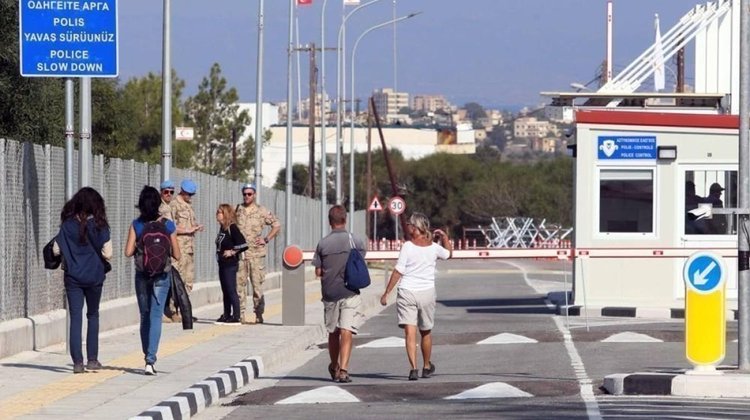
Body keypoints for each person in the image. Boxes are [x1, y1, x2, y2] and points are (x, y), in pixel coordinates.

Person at [380, 212, 452, 381]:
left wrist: (387, 293)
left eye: (411, 225)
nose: (409, 228)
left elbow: (398, 271)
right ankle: (427, 366)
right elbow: (448, 254)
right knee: (425, 331)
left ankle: (413, 368)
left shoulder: (408, 247)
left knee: (409, 333)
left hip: (407, 292)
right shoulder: (434, 248)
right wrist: (445, 238)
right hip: (426, 293)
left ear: (416, 227)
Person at [54, 187, 112, 374]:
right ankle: (92, 359)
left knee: (76, 316)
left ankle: (77, 362)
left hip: (73, 278)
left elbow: (56, 250)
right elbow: (108, 253)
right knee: (93, 315)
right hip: (94, 276)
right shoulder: (100, 225)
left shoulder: (67, 225)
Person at [124, 186, 181, 375]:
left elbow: (128, 252)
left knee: (144, 315)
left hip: (142, 276)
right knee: (156, 316)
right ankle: (151, 360)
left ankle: (145, 355)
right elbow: (178, 255)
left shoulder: (137, 224)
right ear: (158, 203)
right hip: (162, 276)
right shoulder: (168, 225)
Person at [312, 205, 367, 383]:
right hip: (350, 291)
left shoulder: (323, 243)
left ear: (330, 222)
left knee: (334, 332)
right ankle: (343, 370)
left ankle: (335, 366)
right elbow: (360, 261)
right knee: (347, 330)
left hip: (330, 293)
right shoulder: (356, 241)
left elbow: (318, 272)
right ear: (345, 220)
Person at [235, 183, 281, 324]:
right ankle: (240, 313)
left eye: (249, 194)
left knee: (257, 286)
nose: (247, 196)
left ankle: (258, 314)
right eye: (245, 194)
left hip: (256, 254)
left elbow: (276, 225)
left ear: (254, 195)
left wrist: (266, 239)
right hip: (241, 254)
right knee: (239, 285)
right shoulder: (238, 210)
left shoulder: (261, 211)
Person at [169, 179, 204, 320]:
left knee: (188, 281)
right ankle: (173, 311)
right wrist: (188, 229)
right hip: (179, 249)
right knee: (178, 281)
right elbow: (170, 226)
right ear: (182, 191)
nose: (190, 197)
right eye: (188, 194)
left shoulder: (188, 206)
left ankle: (184, 311)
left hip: (188, 249)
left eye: (192, 194)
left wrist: (195, 227)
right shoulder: (174, 205)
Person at [214, 204, 248, 324]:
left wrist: (232, 251)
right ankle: (227, 314)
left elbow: (244, 244)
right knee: (225, 290)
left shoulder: (232, 228)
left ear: (225, 214)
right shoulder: (222, 228)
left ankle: (236, 316)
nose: (217, 214)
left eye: (220, 212)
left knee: (231, 289)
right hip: (222, 264)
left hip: (230, 264)